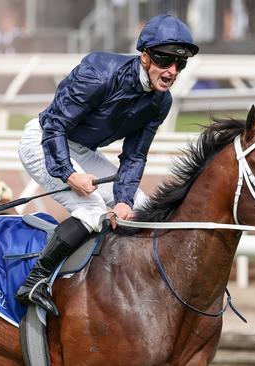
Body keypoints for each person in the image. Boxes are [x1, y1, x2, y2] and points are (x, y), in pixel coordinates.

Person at [16, 14, 199, 316]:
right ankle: (35, 282)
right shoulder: (99, 72)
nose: (171, 71)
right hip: (45, 141)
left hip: (81, 149)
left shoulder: (160, 103)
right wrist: (69, 173)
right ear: (145, 56)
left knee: (142, 207)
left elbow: (134, 156)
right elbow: (55, 127)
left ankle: (130, 285)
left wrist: (125, 200)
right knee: (91, 210)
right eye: (165, 60)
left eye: (180, 64)